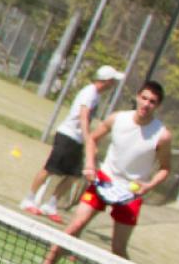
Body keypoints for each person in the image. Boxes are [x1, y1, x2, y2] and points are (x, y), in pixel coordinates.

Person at [27, 80, 174, 264]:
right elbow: (93, 139)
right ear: (137, 96)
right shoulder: (118, 118)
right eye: (144, 98)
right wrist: (89, 164)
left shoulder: (162, 135)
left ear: (157, 106)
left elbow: (165, 168)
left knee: (118, 249)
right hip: (103, 181)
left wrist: (148, 185)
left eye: (152, 101)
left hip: (130, 193)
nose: (147, 104)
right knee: (73, 227)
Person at [21, 65, 123, 221]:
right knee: (49, 169)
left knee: (74, 174)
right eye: (112, 81)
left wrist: (85, 140)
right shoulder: (89, 93)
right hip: (67, 136)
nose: (114, 85)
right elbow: (83, 116)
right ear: (106, 81)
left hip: (77, 139)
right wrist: (89, 140)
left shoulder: (96, 95)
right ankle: (28, 200)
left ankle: (50, 205)